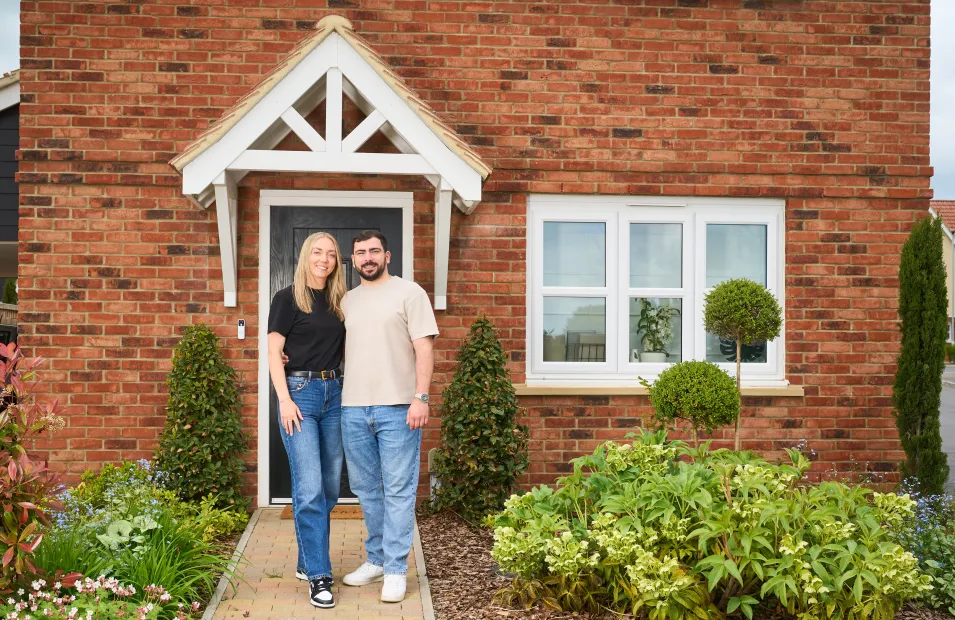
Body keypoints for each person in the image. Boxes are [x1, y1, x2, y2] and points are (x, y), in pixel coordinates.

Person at [339, 230, 438, 603]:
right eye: (361, 252)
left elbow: (423, 348)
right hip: (353, 409)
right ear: (353, 259)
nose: (368, 257)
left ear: (387, 256)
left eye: (374, 251)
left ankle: (396, 569)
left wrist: (421, 397)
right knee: (366, 490)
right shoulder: (346, 301)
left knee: (398, 490)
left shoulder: (409, 293)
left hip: (399, 408)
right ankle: (377, 559)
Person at [267, 231, 347, 609]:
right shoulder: (286, 298)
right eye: (318, 252)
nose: (324, 259)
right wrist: (284, 399)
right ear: (305, 256)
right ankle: (319, 576)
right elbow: (272, 351)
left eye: (331, 254)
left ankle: (305, 560)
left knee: (329, 489)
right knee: (310, 486)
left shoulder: (340, 301)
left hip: (336, 395)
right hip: (299, 395)